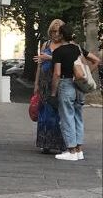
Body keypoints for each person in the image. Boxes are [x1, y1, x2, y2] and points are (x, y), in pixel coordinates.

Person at [50, 24, 100, 161]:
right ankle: (79, 150)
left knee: (67, 117)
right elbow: (97, 60)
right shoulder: (78, 49)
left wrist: (53, 93)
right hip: (79, 86)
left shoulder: (58, 52)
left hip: (66, 84)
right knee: (78, 116)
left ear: (60, 35)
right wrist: (87, 74)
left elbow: (57, 73)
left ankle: (71, 151)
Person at [33, 19, 67, 154]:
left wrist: (50, 58)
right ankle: (45, 142)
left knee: (58, 114)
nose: (55, 34)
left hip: (58, 82)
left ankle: (59, 143)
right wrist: (36, 83)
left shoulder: (66, 45)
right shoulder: (46, 44)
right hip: (44, 83)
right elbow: (39, 65)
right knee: (44, 114)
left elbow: (67, 63)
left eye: (58, 31)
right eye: (53, 31)